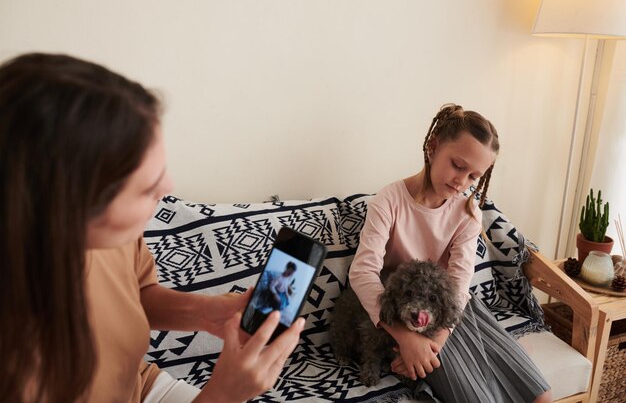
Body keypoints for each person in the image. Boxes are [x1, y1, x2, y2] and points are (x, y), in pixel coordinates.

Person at [0, 53, 304, 403]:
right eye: (147, 188)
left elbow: (137, 293)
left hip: (141, 387)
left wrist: (206, 314)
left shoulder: (112, 237)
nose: (169, 188)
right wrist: (223, 395)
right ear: (67, 209)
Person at [348, 104, 552, 403]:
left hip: (454, 311)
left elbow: (459, 285)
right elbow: (362, 272)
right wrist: (406, 340)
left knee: (541, 395)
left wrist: (435, 342)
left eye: (473, 176)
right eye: (458, 165)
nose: (462, 182)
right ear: (432, 148)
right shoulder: (389, 200)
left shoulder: (467, 212)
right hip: (404, 314)